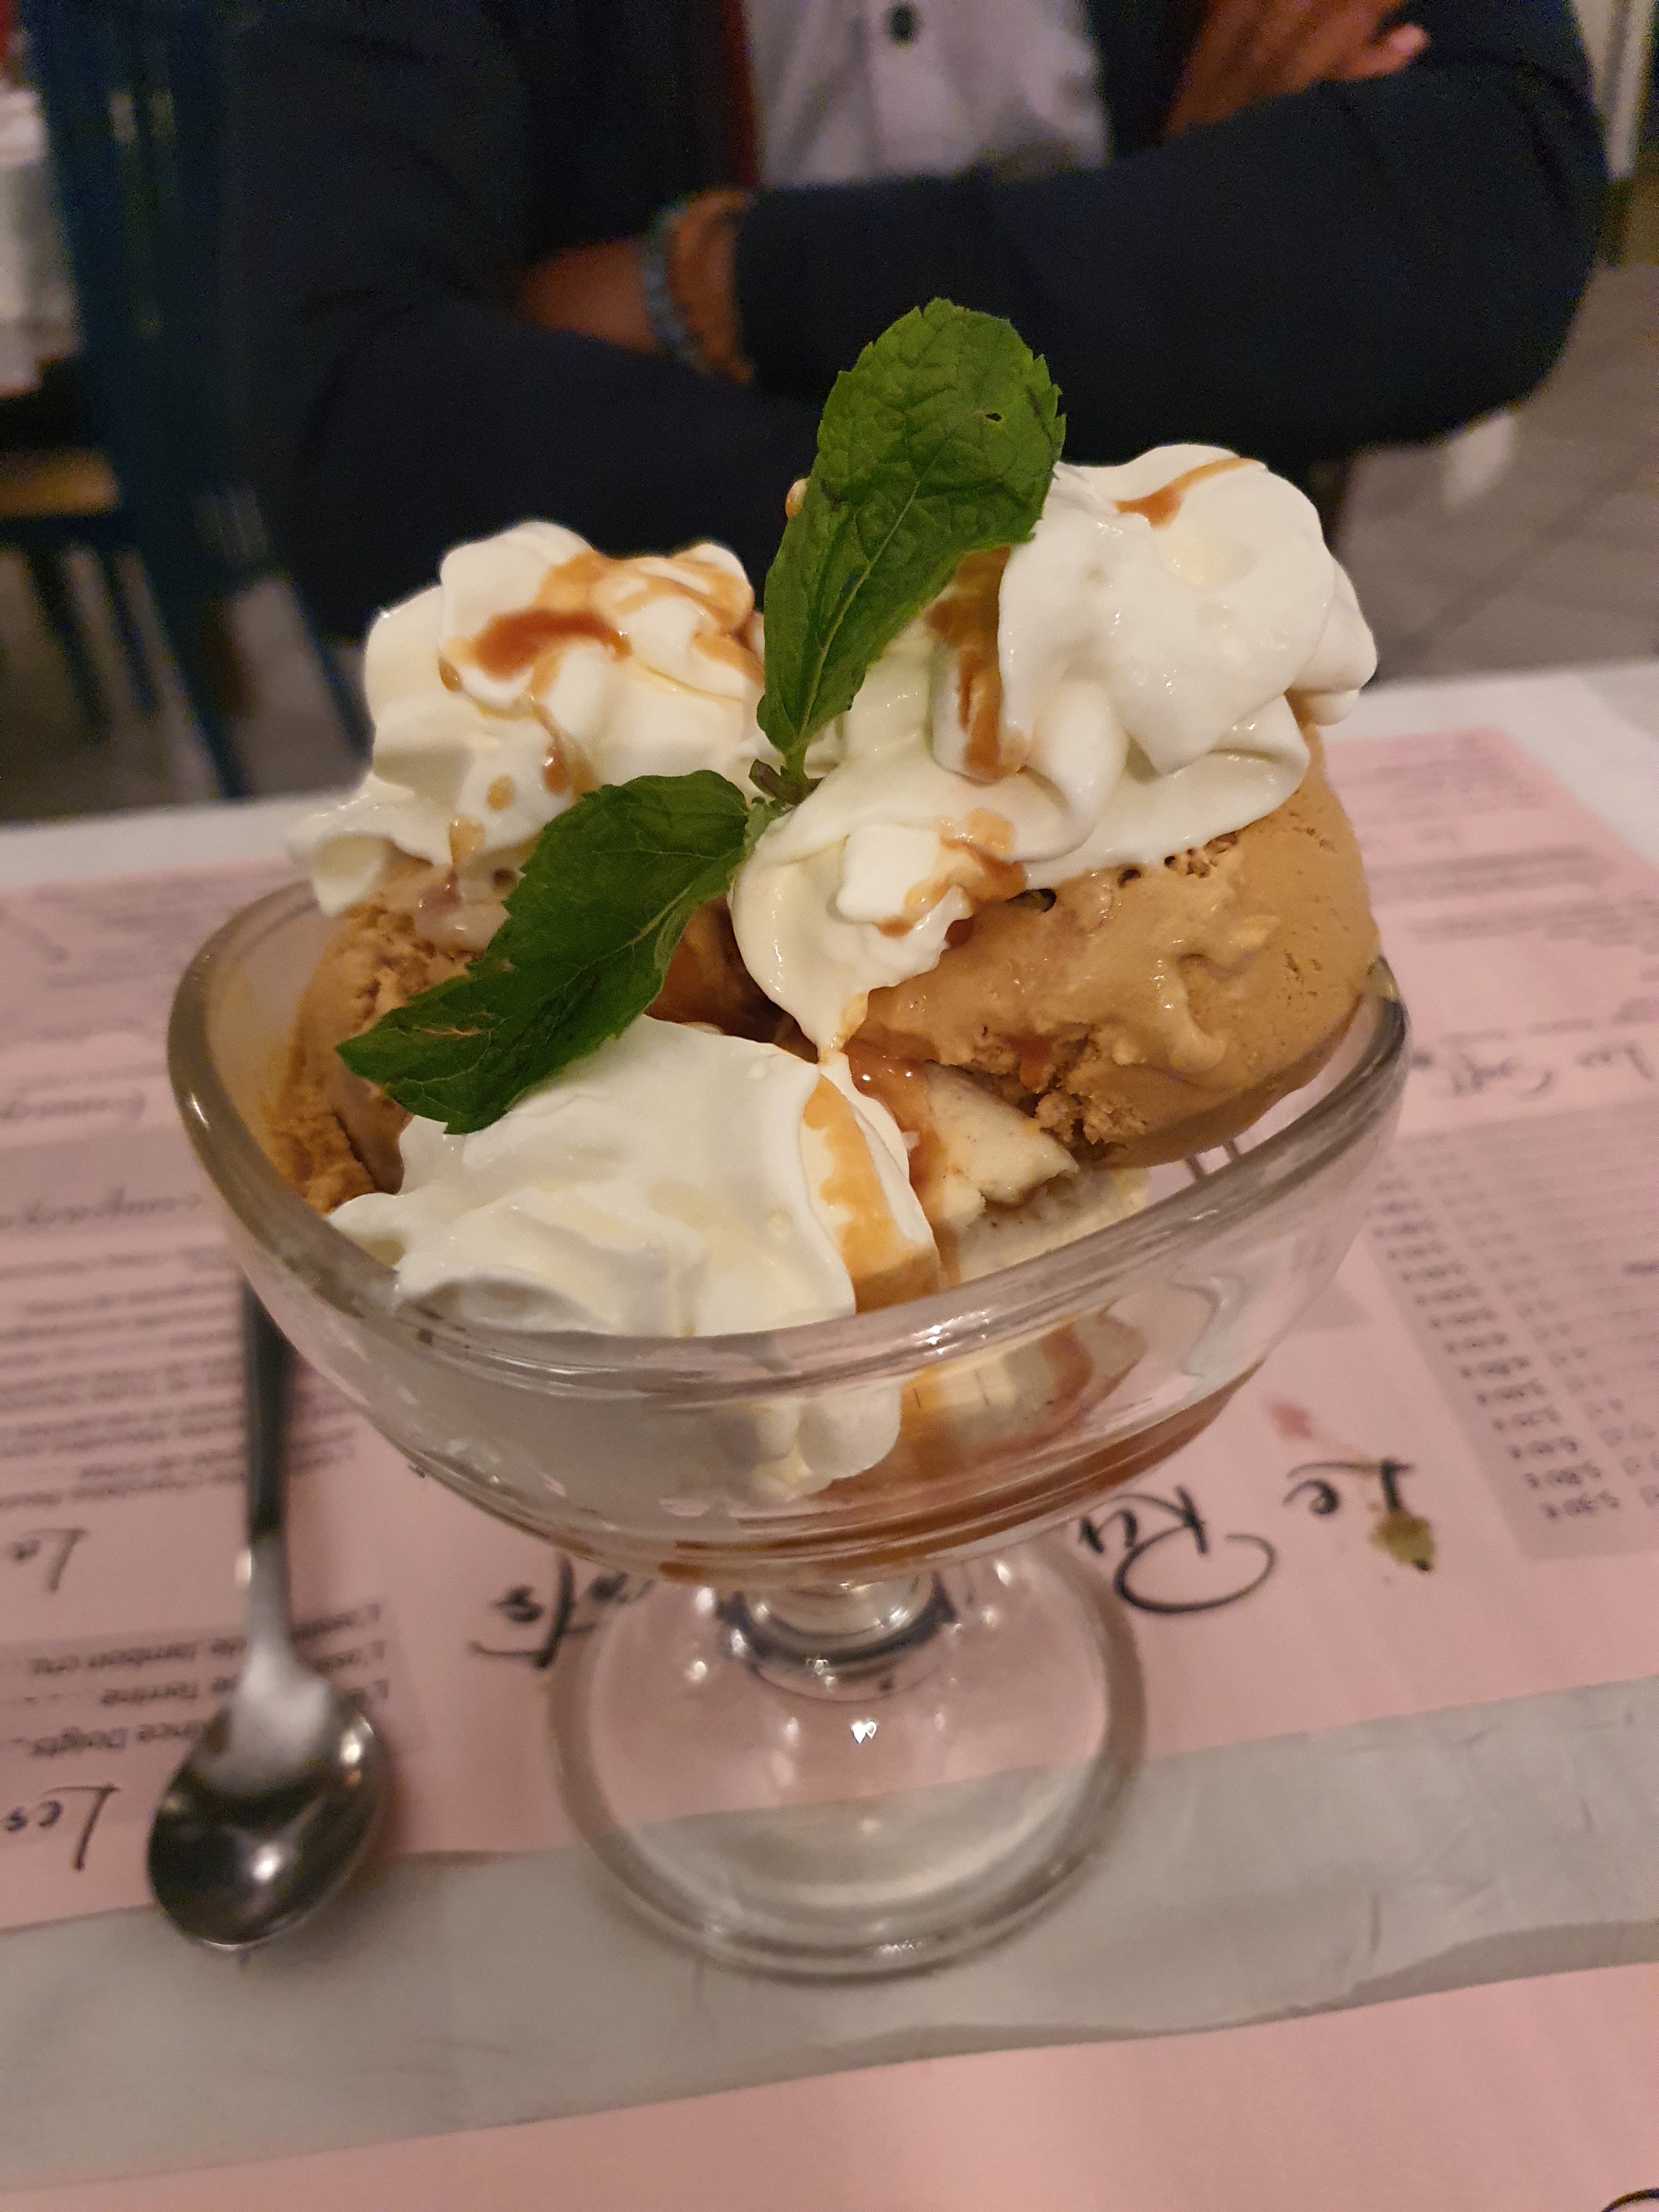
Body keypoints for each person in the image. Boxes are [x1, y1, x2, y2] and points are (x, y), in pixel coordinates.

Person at [230, 0, 1605, 641]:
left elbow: (1482, 241)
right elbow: (360, 443)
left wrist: (713, 286)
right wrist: (1165, 257)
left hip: (1194, 731)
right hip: (635, 785)